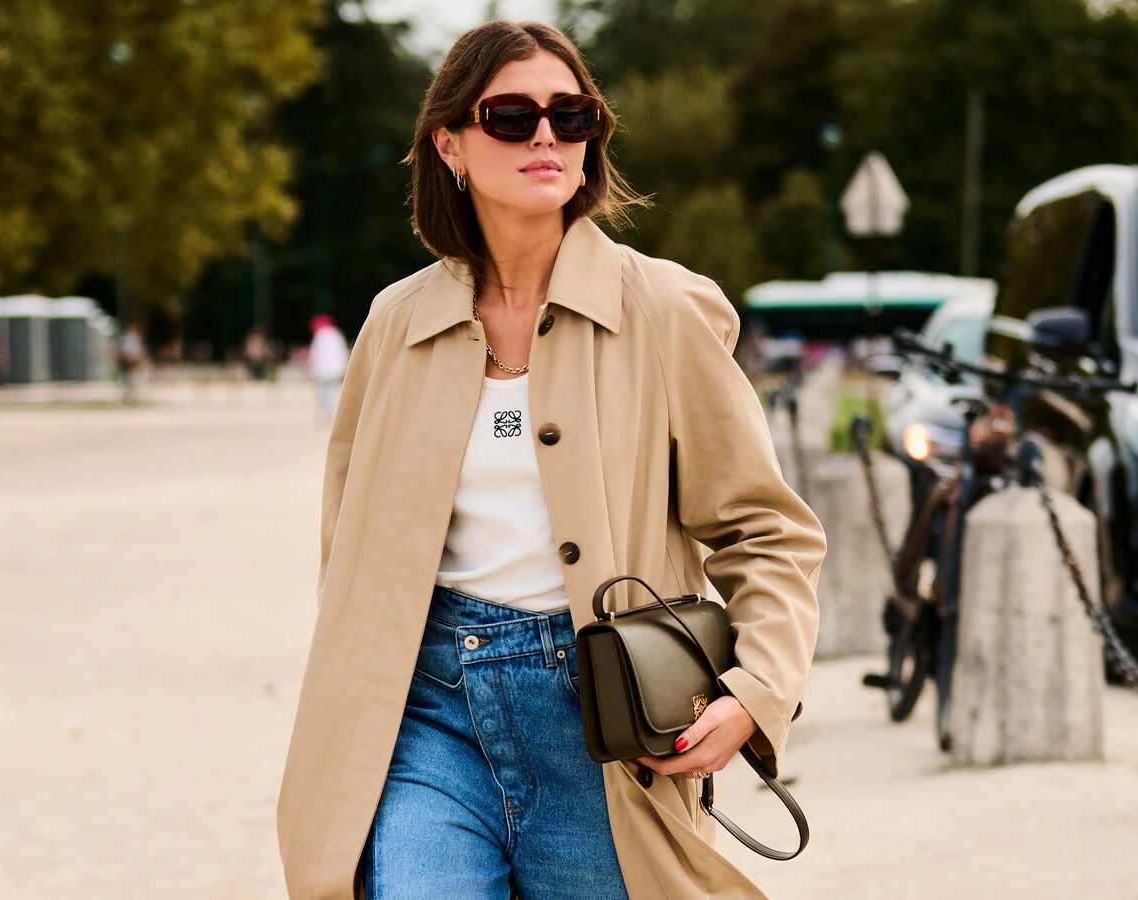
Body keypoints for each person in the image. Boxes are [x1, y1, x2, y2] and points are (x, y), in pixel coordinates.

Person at [275, 20, 826, 900]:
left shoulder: (665, 311)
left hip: (605, 727)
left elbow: (767, 532)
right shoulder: (395, 324)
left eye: (572, 116)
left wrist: (757, 690)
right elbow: (348, 544)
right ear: (449, 142)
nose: (546, 135)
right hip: (427, 716)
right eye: (512, 115)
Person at [306, 314, 350, 423]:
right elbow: (342, 352)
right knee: (329, 390)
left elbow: (316, 354)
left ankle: (330, 412)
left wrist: (313, 368)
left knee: (325, 391)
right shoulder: (337, 335)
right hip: (336, 368)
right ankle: (329, 412)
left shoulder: (321, 336)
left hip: (324, 368)